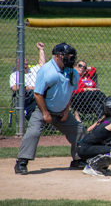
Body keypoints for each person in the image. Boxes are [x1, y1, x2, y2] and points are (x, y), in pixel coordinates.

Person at [14, 42, 87, 175]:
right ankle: (22, 162)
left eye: (72, 56)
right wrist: (45, 113)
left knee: (79, 129)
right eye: (67, 56)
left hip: (61, 111)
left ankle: (78, 160)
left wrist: (66, 111)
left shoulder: (72, 72)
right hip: (43, 109)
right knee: (34, 132)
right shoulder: (47, 71)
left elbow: (69, 92)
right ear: (57, 56)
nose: (71, 59)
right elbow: (38, 94)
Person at [9, 42, 46, 121]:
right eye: (23, 64)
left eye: (26, 64)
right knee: (34, 94)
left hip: (39, 93)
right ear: (18, 65)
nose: (25, 66)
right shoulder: (15, 75)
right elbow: (14, 88)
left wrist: (41, 49)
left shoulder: (33, 70)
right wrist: (28, 88)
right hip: (26, 95)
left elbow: (42, 64)